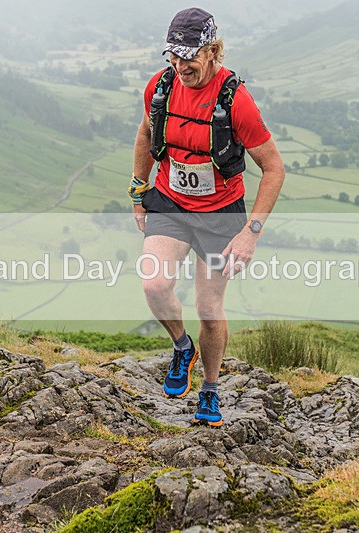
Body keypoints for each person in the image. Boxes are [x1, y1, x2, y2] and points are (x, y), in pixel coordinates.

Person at [129, 7, 285, 427]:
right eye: (173, 57)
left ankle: (210, 390)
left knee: (209, 306)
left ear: (213, 51)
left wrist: (251, 232)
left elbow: (274, 169)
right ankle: (182, 347)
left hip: (220, 214)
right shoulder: (160, 86)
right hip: (171, 203)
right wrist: (138, 189)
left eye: (190, 57)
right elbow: (146, 133)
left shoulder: (236, 99)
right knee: (155, 283)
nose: (181, 67)